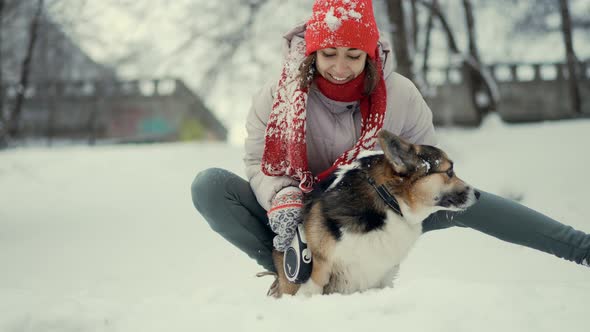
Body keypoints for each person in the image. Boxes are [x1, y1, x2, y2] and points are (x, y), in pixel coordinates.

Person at [191, 0, 589, 295]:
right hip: (302, 211)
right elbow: (259, 162)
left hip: (383, 204)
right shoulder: (277, 96)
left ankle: (580, 248)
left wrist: (418, 196)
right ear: (312, 52)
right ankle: (292, 272)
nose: (340, 67)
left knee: (472, 202)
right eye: (329, 54)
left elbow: (428, 161)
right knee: (210, 185)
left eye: (353, 55)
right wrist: (282, 197)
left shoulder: (400, 95)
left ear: (370, 54)